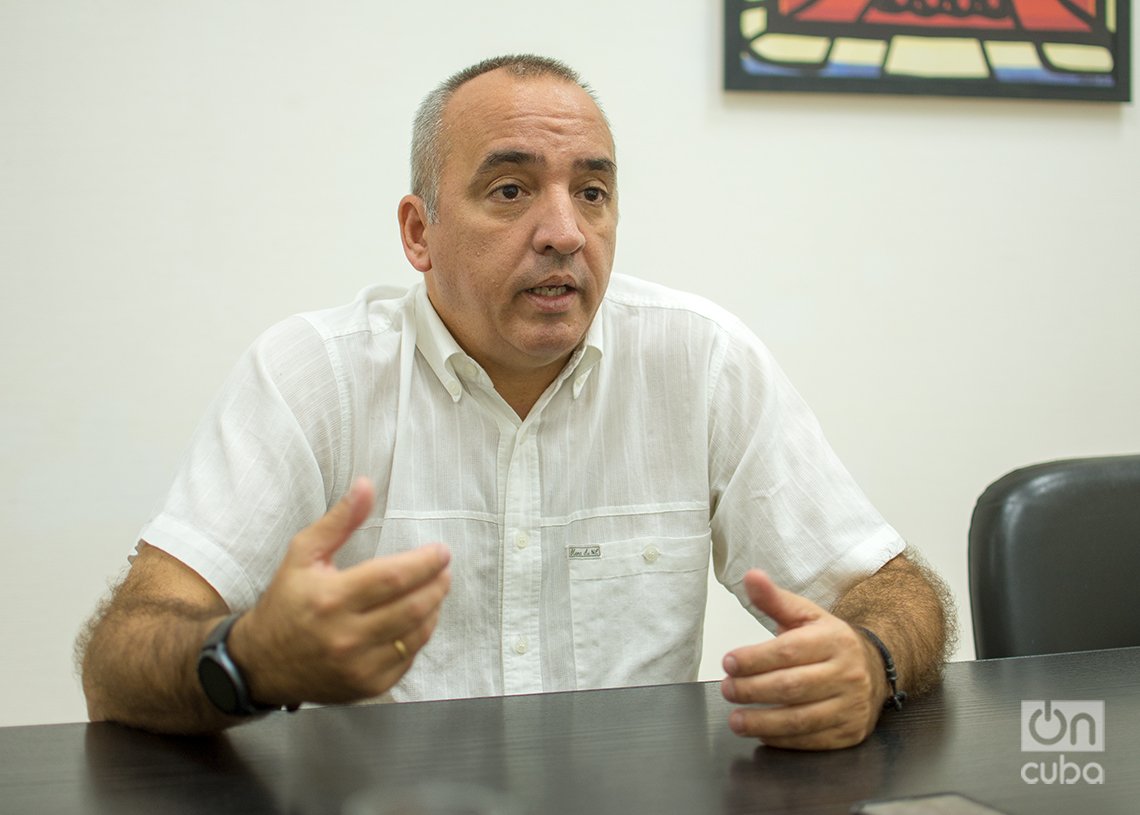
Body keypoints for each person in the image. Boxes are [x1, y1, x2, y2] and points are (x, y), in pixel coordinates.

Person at [78, 54, 952, 749]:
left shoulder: (701, 358)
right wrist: (252, 658)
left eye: (594, 192)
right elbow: (122, 656)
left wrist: (870, 661)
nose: (566, 231)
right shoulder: (314, 373)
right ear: (420, 232)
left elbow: (897, 591)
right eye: (511, 189)